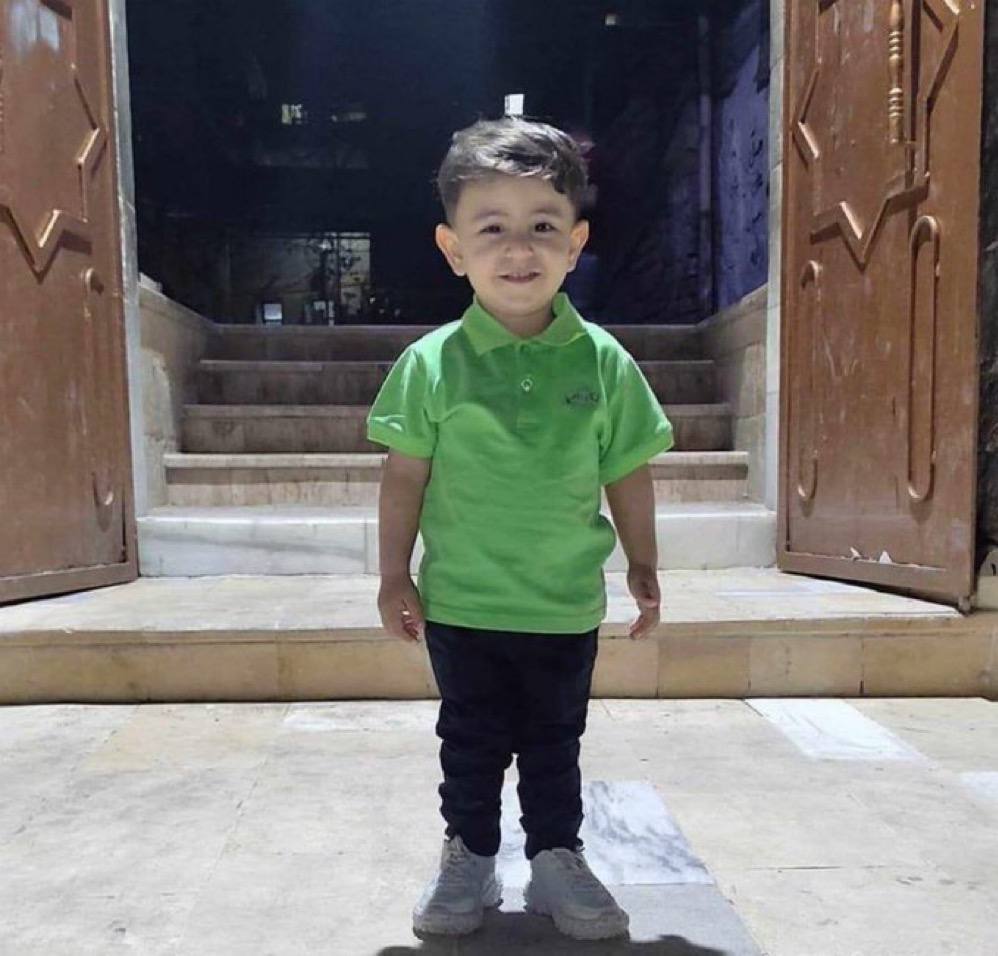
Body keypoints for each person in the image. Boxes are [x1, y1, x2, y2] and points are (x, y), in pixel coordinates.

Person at [366, 116, 674, 941]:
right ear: (453, 248)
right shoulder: (431, 365)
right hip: (463, 602)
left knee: (553, 743)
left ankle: (555, 859)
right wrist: (393, 574)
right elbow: (404, 477)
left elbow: (628, 471)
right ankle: (469, 857)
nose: (518, 249)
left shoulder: (604, 362)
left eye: (542, 226)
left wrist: (643, 561)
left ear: (575, 243)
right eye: (491, 228)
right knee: (468, 743)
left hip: (563, 604)